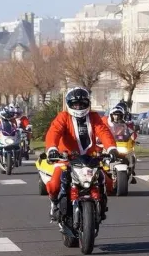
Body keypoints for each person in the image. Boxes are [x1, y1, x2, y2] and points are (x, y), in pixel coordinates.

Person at [44, 87, 118, 220]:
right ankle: (54, 203)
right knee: (54, 184)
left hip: (90, 159)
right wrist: (52, 149)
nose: (78, 107)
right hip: (66, 159)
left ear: (87, 104)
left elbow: (104, 132)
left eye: (82, 104)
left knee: (107, 182)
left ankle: (101, 205)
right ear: (69, 104)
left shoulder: (94, 117)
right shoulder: (63, 117)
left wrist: (112, 148)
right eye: (75, 104)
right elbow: (54, 132)